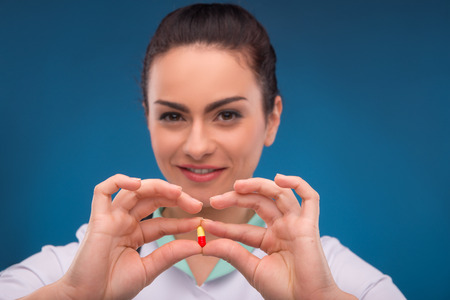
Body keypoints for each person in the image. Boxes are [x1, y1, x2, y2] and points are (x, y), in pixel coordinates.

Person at [0, 3, 405, 299]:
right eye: (173, 116)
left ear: (272, 119)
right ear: (148, 118)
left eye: (226, 114)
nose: (196, 146)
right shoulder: (66, 274)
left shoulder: (343, 283)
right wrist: (75, 296)